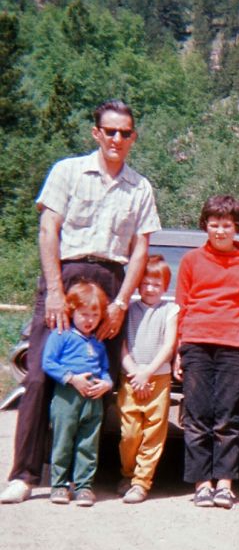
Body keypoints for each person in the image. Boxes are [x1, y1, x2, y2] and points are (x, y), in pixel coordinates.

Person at [1, 99, 161, 505]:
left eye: (125, 133)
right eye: (110, 131)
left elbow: (140, 249)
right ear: (96, 133)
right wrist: (55, 290)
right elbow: (48, 229)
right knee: (38, 376)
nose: (117, 139)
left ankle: (83, 477)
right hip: (67, 277)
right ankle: (24, 474)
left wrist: (122, 301)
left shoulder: (139, 187)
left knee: (100, 379)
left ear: (133, 137)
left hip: (111, 279)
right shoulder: (68, 171)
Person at [174, 195, 239, 510]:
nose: (220, 231)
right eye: (214, 224)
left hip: (232, 346)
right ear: (205, 225)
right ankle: (202, 484)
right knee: (197, 416)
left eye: (226, 224)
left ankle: (224, 484)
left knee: (227, 416)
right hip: (195, 342)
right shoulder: (191, 261)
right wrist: (176, 351)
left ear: (237, 226)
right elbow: (180, 307)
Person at [42, 281, 113, 507]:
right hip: (67, 395)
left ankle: (84, 485)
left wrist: (107, 384)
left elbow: (104, 368)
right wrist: (71, 378)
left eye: (94, 314)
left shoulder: (98, 343)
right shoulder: (61, 334)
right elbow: (48, 362)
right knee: (63, 440)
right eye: (83, 314)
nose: (89, 320)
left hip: (93, 397)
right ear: (72, 311)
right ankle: (59, 485)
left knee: (88, 442)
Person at [117, 255, 179, 504]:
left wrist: (148, 372)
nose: (150, 289)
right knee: (129, 433)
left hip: (158, 378)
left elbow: (169, 344)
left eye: (156, 284)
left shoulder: (170, 310)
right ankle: (128, 472)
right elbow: (121, 346)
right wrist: (134, 372)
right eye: (144, 283)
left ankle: (142, 482)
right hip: (130, 378)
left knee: (154, 432)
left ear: (165, 286)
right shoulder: (129, 309)